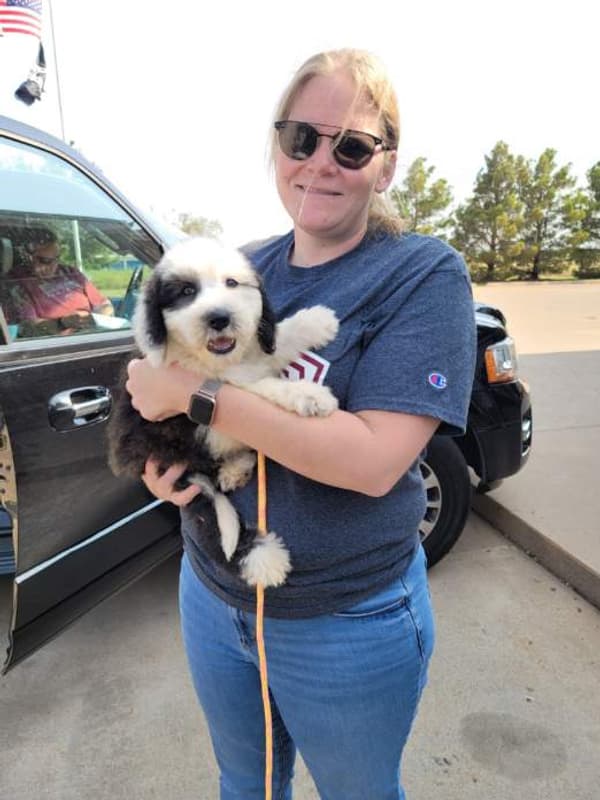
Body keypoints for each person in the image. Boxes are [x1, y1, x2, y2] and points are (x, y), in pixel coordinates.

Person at [126, 48, 476, 800]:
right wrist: (167, 470)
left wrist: (191, 395)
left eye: (351, 147)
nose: (320, 161)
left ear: (386, 167)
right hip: (212, 592)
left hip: (346, 618)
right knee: (243, 784)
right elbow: (163, 375)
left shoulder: (422, 274)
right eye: (301, 137)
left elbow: (374, 462)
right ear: (277, 145)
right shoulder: (241, 266)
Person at [0, 226, 113, 334]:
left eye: (57, 258)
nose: (54, 265)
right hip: (59, 341)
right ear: (29, 257)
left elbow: (104, 305)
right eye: (46, 261)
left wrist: (98, 319)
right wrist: (63, 323)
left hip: (92, 333)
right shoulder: (16, 282)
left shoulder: (70, 272)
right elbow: (28, 328)